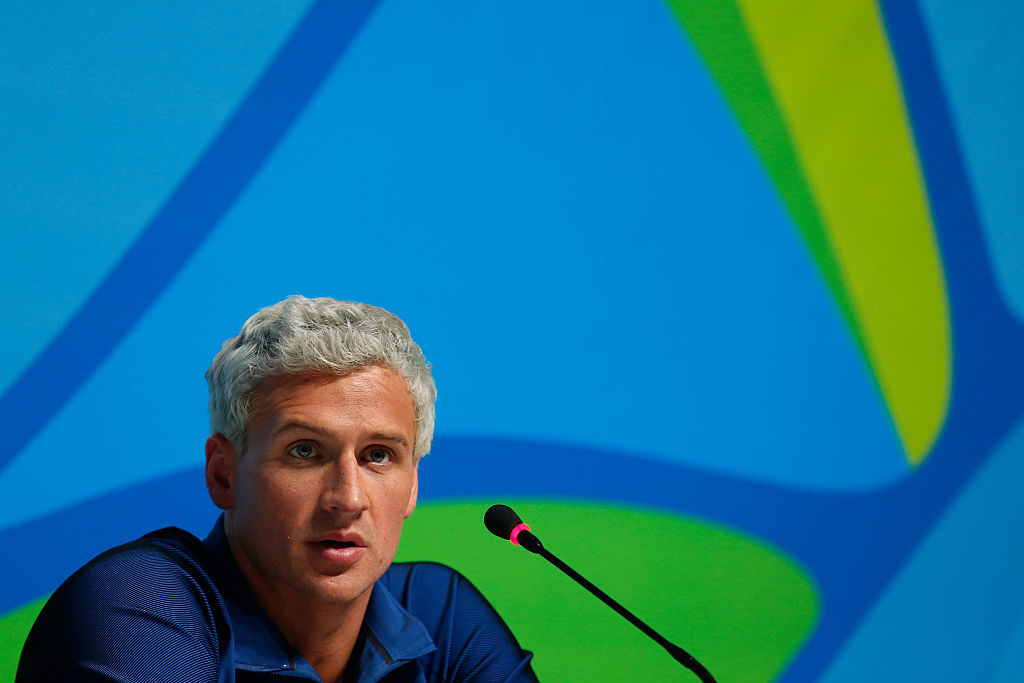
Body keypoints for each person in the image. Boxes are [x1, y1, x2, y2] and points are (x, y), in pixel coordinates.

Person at [17, 295, 537, 682]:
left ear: (413, 486)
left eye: (378, 455)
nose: (348, 498)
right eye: (305, 451)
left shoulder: (436, 615)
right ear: (224, 474)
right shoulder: (141, 603)